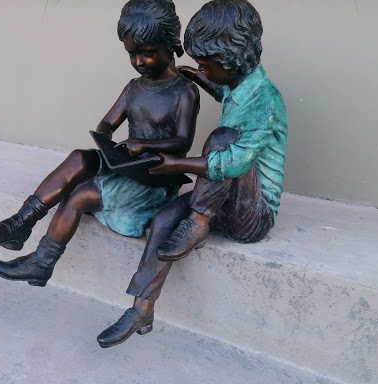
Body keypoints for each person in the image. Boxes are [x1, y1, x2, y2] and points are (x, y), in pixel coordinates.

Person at [97, 0, 288, 348]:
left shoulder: (266, 102)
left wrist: (176, 165)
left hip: (252, 216)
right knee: (164, 218)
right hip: (223, 200)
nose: (200, 69)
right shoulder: (240, 86)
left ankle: (198, 223)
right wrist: (196, 76)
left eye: (204, 64)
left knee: (222, 139)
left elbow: (231, 164)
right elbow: (224, 89)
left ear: (229, 61)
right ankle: (141, 308)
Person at [0, 0, 199, 288]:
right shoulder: (133, 87)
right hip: (128, 164)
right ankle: (20, 223)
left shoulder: (184, 91)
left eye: (147, 53)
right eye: (132, 55)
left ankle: (42, 262)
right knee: (81, 157)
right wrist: (108, 143)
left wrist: (141, 145)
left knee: (80, 194)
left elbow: (182, 141)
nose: (139, 62)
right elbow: (107, 124)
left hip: (155, 178)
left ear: (170, 46)